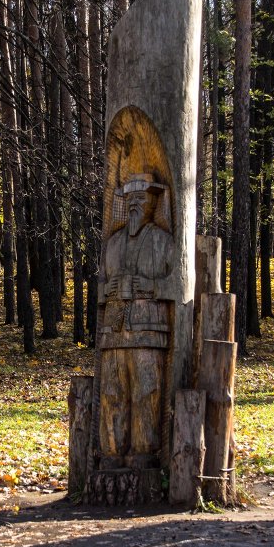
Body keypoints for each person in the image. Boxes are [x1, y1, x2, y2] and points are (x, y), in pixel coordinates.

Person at [98, 173, 174, 464]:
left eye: (141, 199)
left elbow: (182, 284)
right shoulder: (113, 243)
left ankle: (144, 451)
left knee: (147, 390)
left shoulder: (163, 241)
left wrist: (152, 287)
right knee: (112, 392)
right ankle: (113, 451)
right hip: (114, 332)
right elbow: (99, 288)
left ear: (154, 204)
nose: (134, 205)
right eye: (130, 199)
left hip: (149, 330)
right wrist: (109, 289)